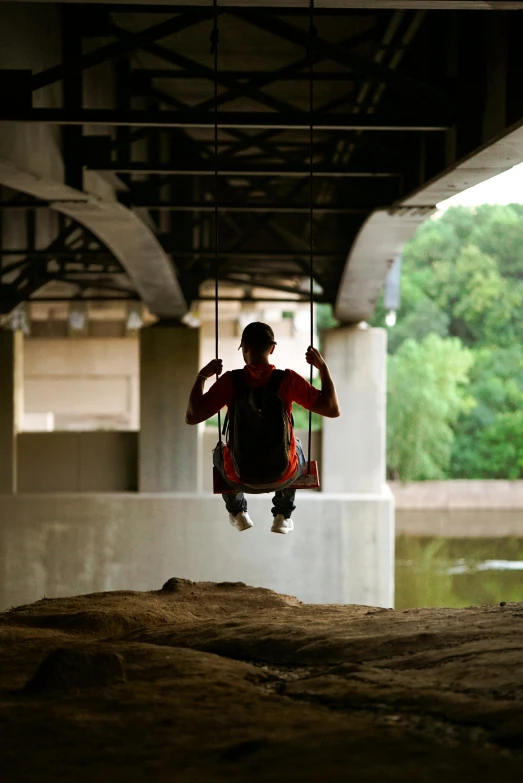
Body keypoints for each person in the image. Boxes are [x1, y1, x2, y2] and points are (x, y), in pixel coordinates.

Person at [185, 322, 340, 534]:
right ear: (272, 348)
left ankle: (238, 512)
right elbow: (332, 409)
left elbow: (192, 416)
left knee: (219, 451)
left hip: (239, 477)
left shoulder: (231, 381)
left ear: (244, 347)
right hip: (283, 475)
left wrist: (202, 376)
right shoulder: (287, 380)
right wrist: (323, 367)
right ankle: (282, 516)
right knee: (298, 446)